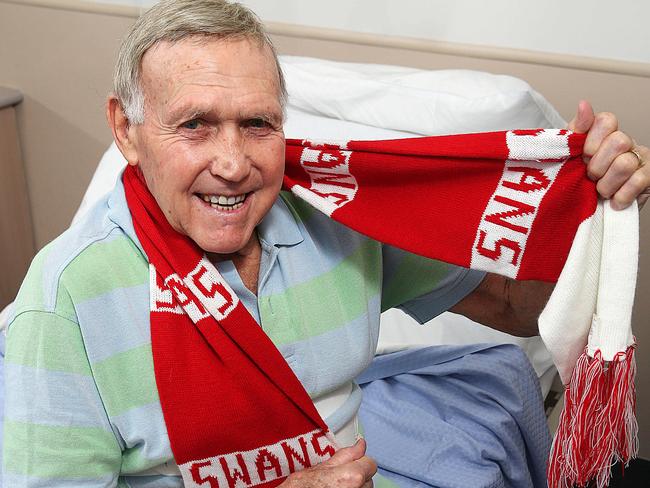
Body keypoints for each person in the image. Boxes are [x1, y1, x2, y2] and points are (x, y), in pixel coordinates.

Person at [3, 1, 648, 487]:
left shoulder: (335, 218)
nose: (233, 164)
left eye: (257, 124)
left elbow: (518, 308)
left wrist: (588, 210)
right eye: (194, 125)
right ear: (127, 130)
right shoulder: (64, 307)